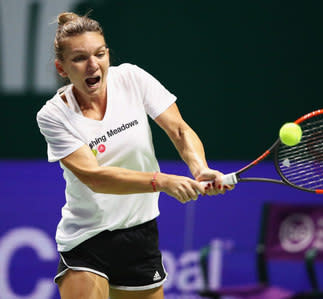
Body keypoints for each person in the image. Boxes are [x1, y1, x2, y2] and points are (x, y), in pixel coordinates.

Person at [36, 12, 232, 299]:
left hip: (140, 233)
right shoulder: (54, 115)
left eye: (100, 54)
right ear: (61, 68)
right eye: (79, 58)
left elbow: (178, 129)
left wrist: (199, 168)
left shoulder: (131, 78)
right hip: (87, 238)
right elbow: (95, 177)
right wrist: (161, 181)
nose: (93, 65)